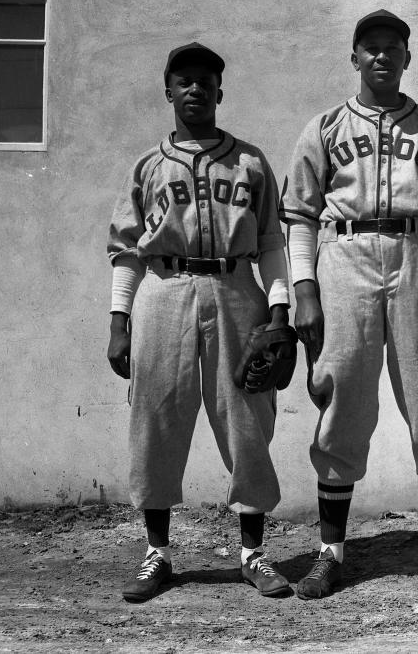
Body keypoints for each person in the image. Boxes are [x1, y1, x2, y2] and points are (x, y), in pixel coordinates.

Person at [281, 10, 418, 599]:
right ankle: (330, 551)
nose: (380, 56)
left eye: (391, 48)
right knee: (342, 390)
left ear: (406, 58)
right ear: (354, 57)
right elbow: (298, 215)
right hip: (344, 254)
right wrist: (305, 289)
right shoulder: (323, 127)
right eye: (370, 47)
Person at [107, 42, 292, 602]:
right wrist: (119, 320)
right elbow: (126, 250)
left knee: (247, 420)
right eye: (183, 81)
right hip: (162, 291)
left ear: (219, 91)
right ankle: (157, 552)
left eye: (205, 81)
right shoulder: (147, 165)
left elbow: (270, 243)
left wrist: (280, 310)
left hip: (236, 289)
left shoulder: (251, 162)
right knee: (156, 418)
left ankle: (252, 553)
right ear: (169, 91)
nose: (195, 89)